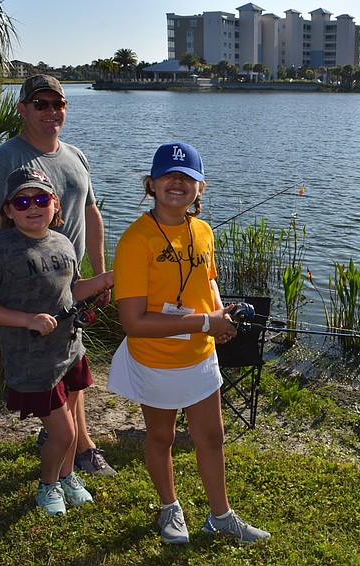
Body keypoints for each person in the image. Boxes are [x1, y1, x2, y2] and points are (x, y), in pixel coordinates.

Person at [107, 142, 270, 544]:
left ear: (201, 188)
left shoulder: (203, 230)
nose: (177, 182)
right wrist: (205, 322)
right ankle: (169, 508)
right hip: (156, 358)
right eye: (168, 175)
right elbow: (133, 322)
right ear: (151, 184)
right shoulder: (134, 240)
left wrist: (220, 317)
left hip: (199, 355)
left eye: (187, 177)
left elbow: (208, 281)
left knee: (211, 437)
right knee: (161, 437)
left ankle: (221, 516)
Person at [0, 74, 116, 476]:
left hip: (69, 283)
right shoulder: (3, 160)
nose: (51, 112)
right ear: (22, 109)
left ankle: (65, 439)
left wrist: (100, 271)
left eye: (58, 104)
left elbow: (91, 215)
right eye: (41, 104)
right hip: (27, 288)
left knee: (73, 363)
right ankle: (79, 446)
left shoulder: (75, 155)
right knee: (51, 367)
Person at [0, 167, 115, 516]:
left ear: (55, 203)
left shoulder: (63, 242)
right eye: (22, 201)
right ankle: (47, 486)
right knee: (62, 433)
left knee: (75, 425)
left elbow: (72, 291)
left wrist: (106, 279)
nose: (32, 206)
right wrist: (27, 320)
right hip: (32, 359)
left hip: (70, 350)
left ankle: (68, 476)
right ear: (8, 210)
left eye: (40, 198)